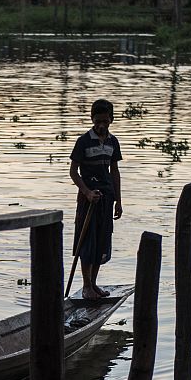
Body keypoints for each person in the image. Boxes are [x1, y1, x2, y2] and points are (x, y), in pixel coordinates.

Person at [69, 98, 123, 300]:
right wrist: (87, 192)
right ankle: (86, 286)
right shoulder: (83, 141)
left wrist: (118, 200)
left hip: (106, 198)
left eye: (105, 121)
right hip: (88, 199)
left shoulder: (112, 142)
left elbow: (115, 172)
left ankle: (94, 284)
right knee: (87, 241)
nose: (101, 125)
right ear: (92, 119)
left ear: (111, 120)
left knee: (101, 241)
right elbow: (74, 172)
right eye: (98, 121)